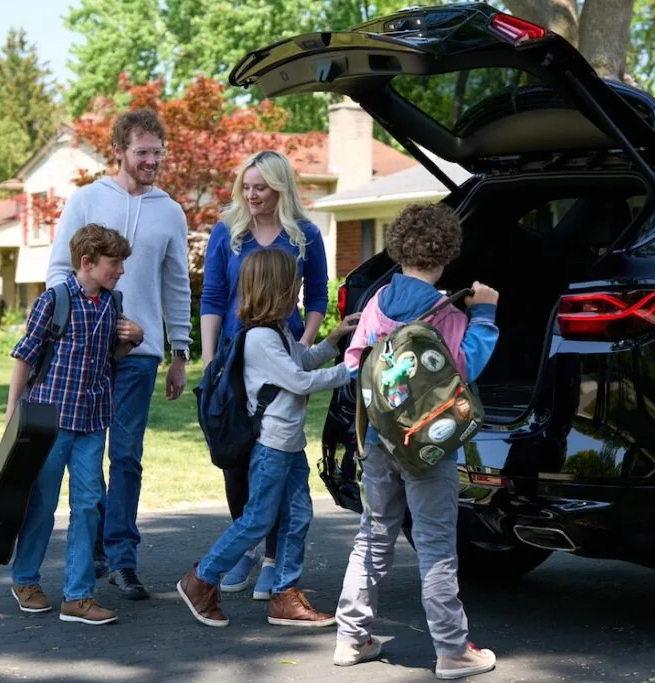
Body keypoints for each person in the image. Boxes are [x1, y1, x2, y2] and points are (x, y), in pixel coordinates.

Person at [333, 203, 501, 680]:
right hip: (428, 444)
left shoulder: (379, 299)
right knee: (434, 543)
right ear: (448, 254)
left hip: (379, 438)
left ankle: (351, 636)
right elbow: (466, 367)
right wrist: (485, 314)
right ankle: (451, 649)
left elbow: (353, 363)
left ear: (397, 247)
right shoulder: (445, 310)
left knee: (373, 533)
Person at [46, 108, 193, 600]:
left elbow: (177, 286)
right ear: (119, 151)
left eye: (158, 152)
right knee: (83, 455)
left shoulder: (170, 211)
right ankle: (94, 549)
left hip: (140, 355)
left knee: (126, 456)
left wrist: (179, 350)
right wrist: (94, 322)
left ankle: (123, 559)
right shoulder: (87, 200)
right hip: (86, 357)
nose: (152, 161)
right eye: (143, 152)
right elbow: (57, 273)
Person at [178, 248, 358, 628]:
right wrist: (351, 369)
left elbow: (303, 362)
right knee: (258, 518)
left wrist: (336, 338)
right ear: (276, 288)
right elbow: (300, 381)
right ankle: (201, 579)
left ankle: (284, 596)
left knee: (298, 516)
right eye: (294, 283)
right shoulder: (260, 337)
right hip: (273, 445)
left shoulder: (277, 330)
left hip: (290, 444)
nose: (298, 289)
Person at [200, 150, 329, 598]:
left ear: (280, 189)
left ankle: (273, 559)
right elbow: (213, 297)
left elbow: (317, 296)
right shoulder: (227, 231)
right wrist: (210, 357)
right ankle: (246, 546)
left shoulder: (305, 235)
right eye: (247, 187)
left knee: (277, 458)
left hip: (280, 357)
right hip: (236, 361)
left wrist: (304, 347)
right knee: (237, 460)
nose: (252, 195)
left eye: (261, 188)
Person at [6, 224, 142, 625]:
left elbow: (111, 357)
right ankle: (25, 579)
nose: (120, 270)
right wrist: (12, 411)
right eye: (113, 263)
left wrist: (134, 337)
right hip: (51, 420)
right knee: (42, 504)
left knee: (88, 506)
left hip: (93, 420)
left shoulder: (112, 303)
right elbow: (25, 357)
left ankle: (78, 596)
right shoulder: (54, 300)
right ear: (87, 262)